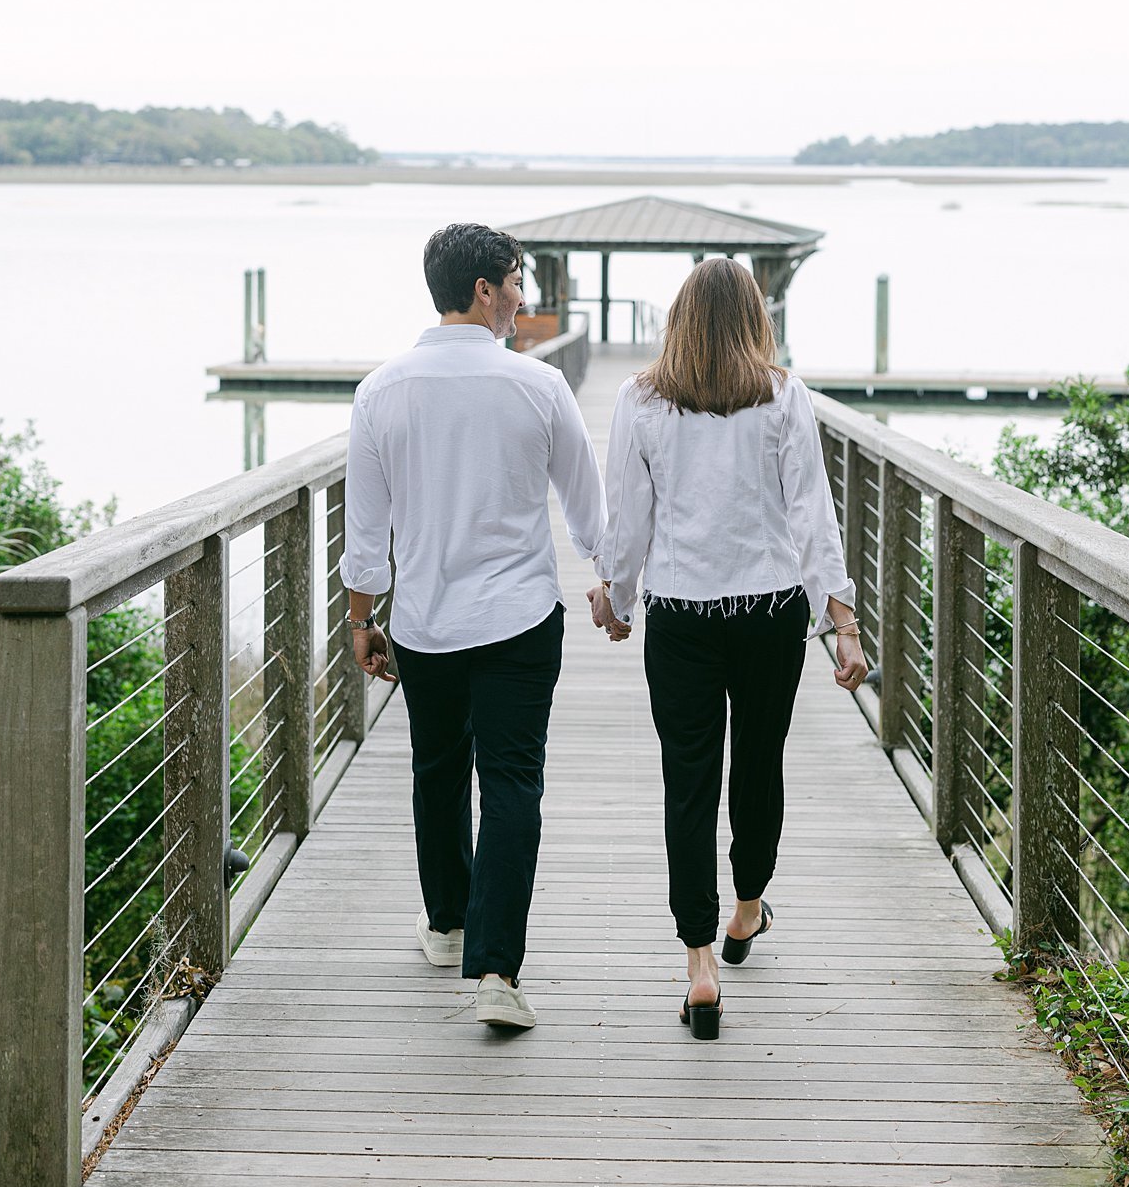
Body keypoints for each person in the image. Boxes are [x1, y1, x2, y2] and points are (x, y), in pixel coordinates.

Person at [589, 256, 867, 1039]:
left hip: (679, 614)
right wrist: (840, 625)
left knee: (687, 783)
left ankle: (700, 966)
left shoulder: (638, 399)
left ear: (677, 318)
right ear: (753, 317)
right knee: (758, 763)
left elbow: (627, 517)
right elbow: (812, 516)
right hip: (769, 611)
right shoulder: (781, 394)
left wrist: (616, 597)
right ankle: (746, 911)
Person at [341, 221, 605, 1031]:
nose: (522, 300)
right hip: (520, 617)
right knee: (513, 781)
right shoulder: (538, 386)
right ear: (484, 289)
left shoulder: (381, 391)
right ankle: (496, 969)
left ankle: (447, 924)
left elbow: (365, 528)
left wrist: (362, 620)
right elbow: (588, 507)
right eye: (517, 282)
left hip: (423, 622)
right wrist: (611, 584)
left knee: (437, 768)